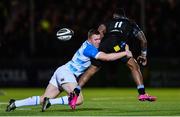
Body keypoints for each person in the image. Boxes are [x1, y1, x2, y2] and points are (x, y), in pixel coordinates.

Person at [6, 29, 132, 112]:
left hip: (62, 70)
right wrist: (125, 53)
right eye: (95, 39)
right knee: (79, 99)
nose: (98, 42)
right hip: (67, 73)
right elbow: (106, 58)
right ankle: (50, 102)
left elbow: (104, 47)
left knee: (43, 98)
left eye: (99, 39)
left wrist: (118, 44)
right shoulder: (89, 49)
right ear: (89, 39)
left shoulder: (90, 44)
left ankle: (15, 103)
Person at [69, 8, 157, 109]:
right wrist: (143, 55)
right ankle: (142, 93)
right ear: (124, 16)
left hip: (105, 44)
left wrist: (98, 43)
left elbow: (100, 30)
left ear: (115, 16)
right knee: (134, 67)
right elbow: (144, 40)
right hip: (118, 46)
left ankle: (76, 92)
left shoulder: (109, 22)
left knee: (92, 69)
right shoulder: (130, 23)